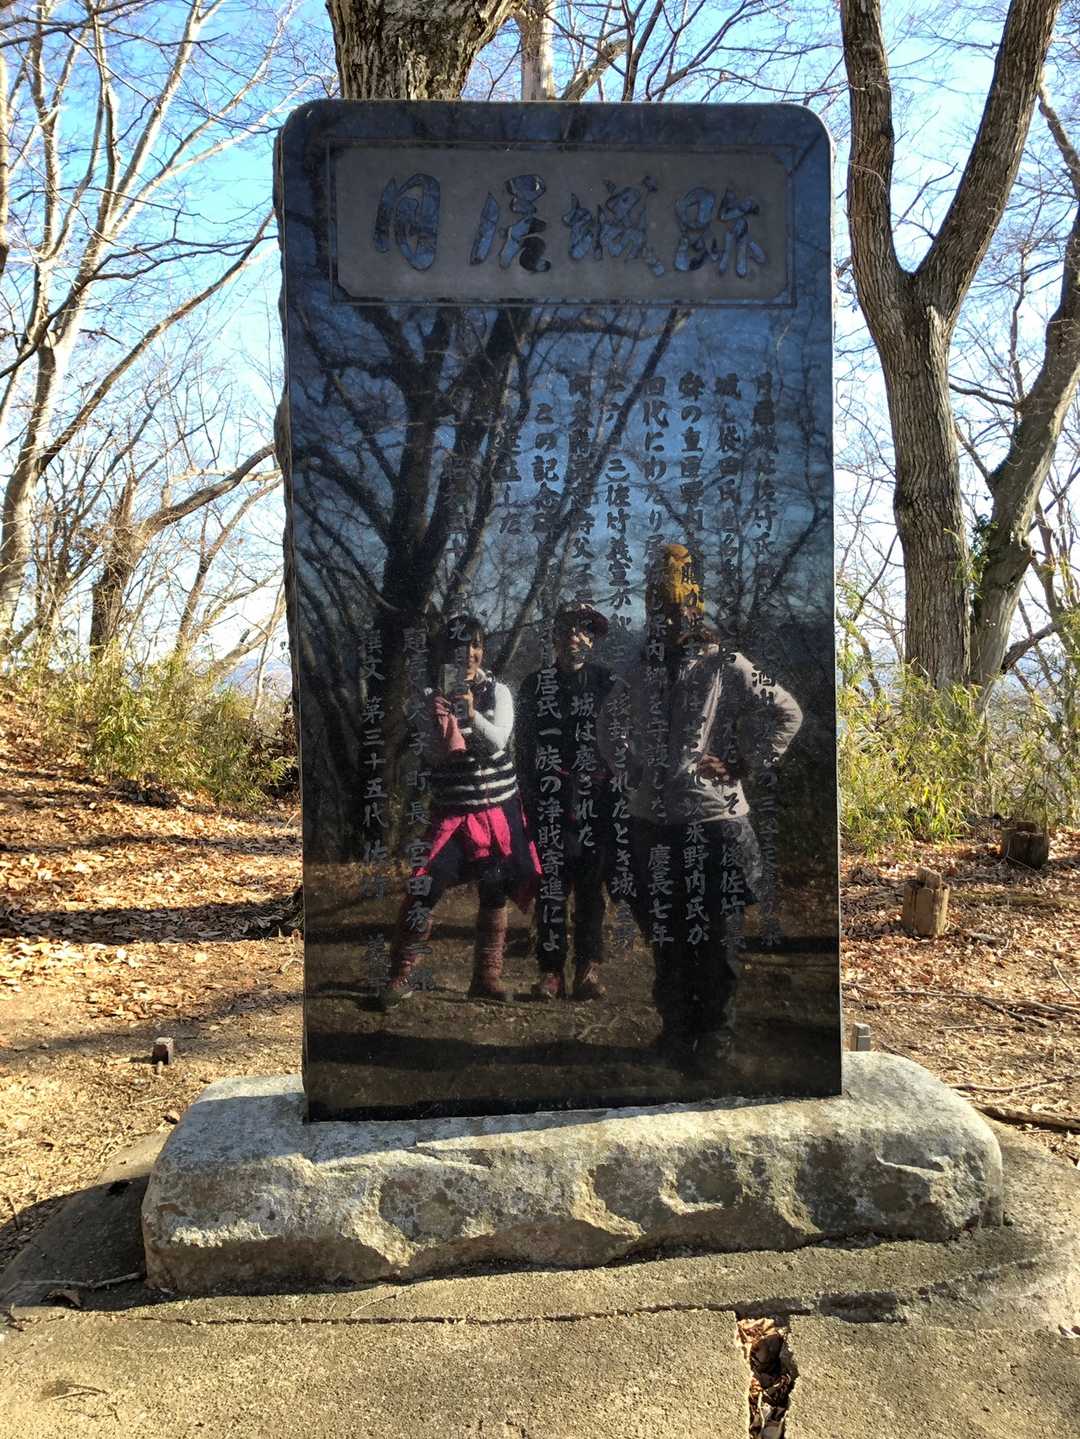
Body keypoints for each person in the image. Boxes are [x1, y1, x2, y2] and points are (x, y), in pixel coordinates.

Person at [600, 543, 803, 1070]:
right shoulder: (636, 666)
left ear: (696, 606)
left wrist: (742, 762)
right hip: (653, 821)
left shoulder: (725, 663)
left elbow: (787, 711)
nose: (671, 619)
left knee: (715, 937)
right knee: (665, 936)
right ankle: (676, 1030)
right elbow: (607, 721)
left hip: (715, 821)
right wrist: (628, 766)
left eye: (680, 607)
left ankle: (715, 1037)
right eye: (661, 609)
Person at [379, 614, 540, 1010]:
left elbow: (499, 741)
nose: (469, 653)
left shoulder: (498, 692)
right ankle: (400, 974)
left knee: (495, 889)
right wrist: (441, 718)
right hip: (453, 814)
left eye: (476, 645)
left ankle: (486, 978)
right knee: (426, 884)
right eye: (459, 645)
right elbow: (435, 757)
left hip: (498, 811)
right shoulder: (428, 699)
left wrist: (471, 714)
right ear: (445, 652)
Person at [516, 602, 618, 1001]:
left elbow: (621, 741)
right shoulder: (534, 685)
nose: (574, 636)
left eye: (584, 630)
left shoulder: (607, 682)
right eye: (567, 629)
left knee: (592, 887)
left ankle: (588, 967)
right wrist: (528, 795)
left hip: (597, 796)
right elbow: (524, 746)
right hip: (550, 796)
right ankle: (551, 969)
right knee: (552, 886)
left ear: (592, 639)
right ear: (555, 636)